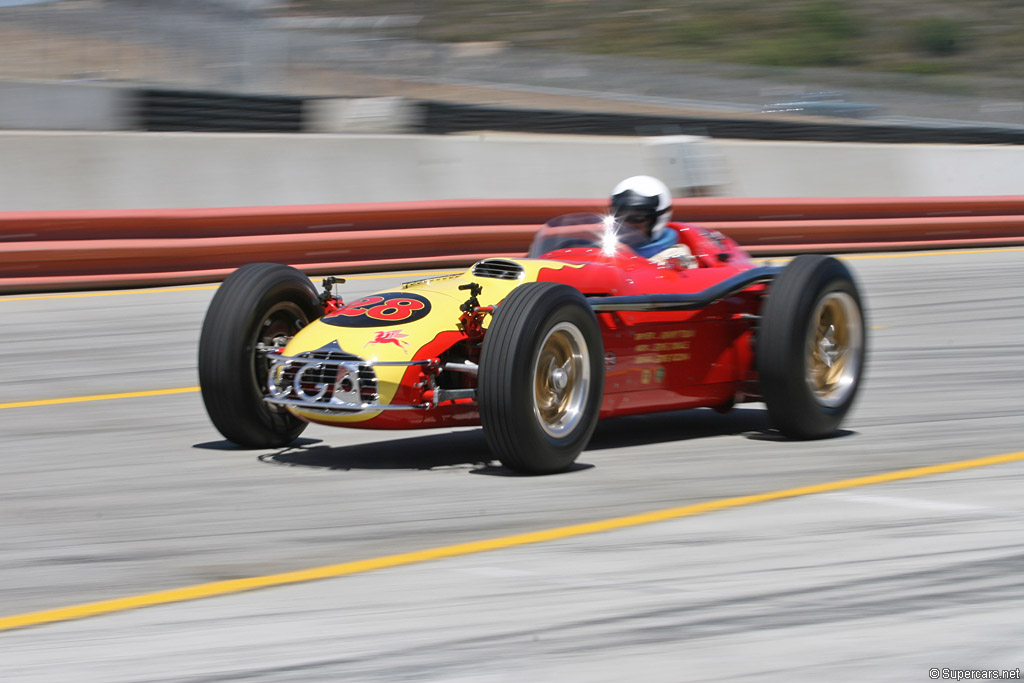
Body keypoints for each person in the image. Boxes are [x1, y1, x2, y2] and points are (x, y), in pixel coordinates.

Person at [609, 175, 683, 260]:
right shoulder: (605, 252)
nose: (628, 224)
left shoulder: (677, 258)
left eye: (637, 217)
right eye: (620, 216)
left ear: (658, 217)